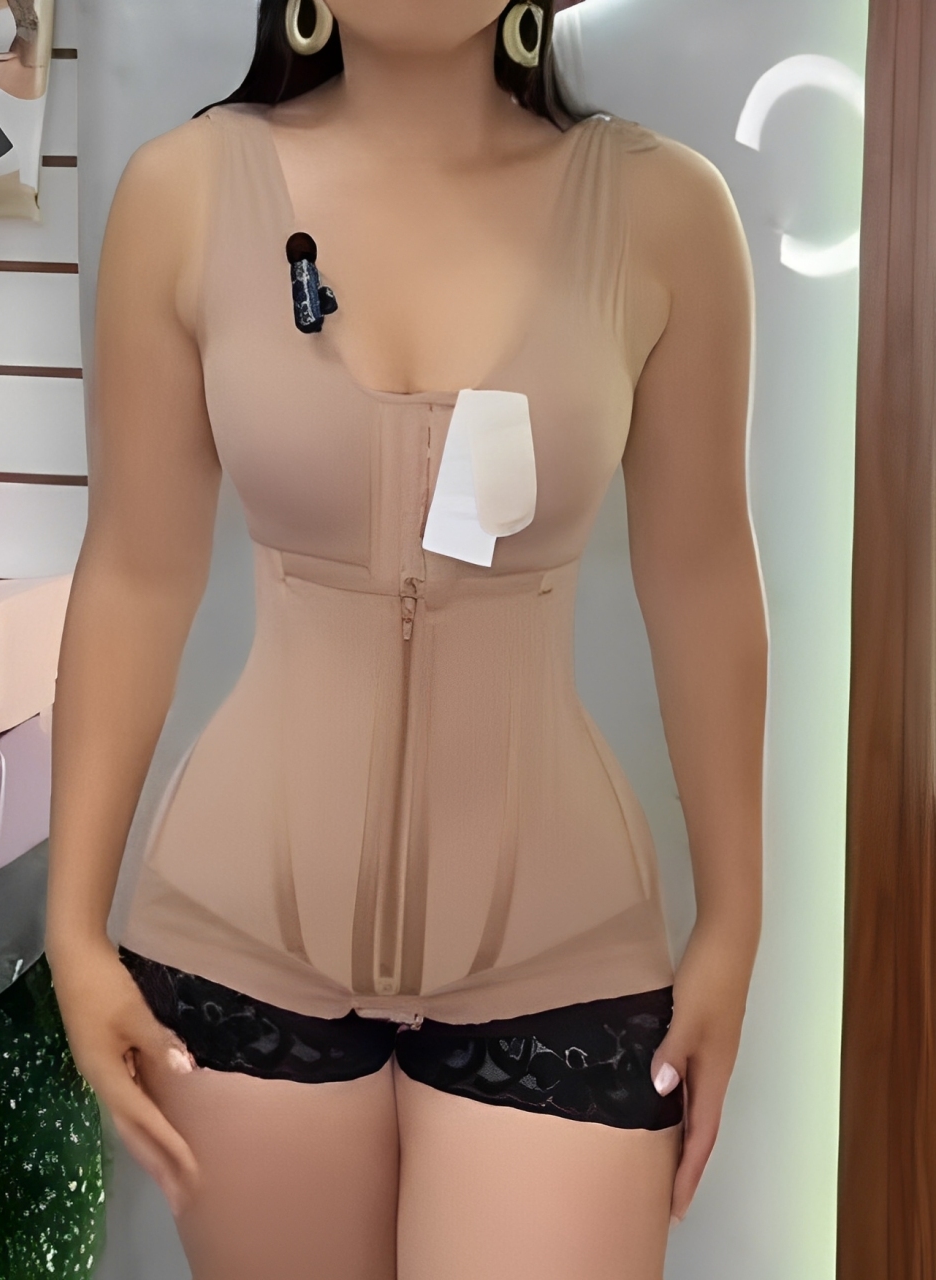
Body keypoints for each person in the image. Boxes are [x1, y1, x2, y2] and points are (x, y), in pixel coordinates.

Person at [46, 2, 766, 1277]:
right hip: (232, 940)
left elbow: (703, 576)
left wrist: (736, 918)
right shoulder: (183, 193)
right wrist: (72, 923)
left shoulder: (667, 212)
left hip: (568, 948)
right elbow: (136, 574)